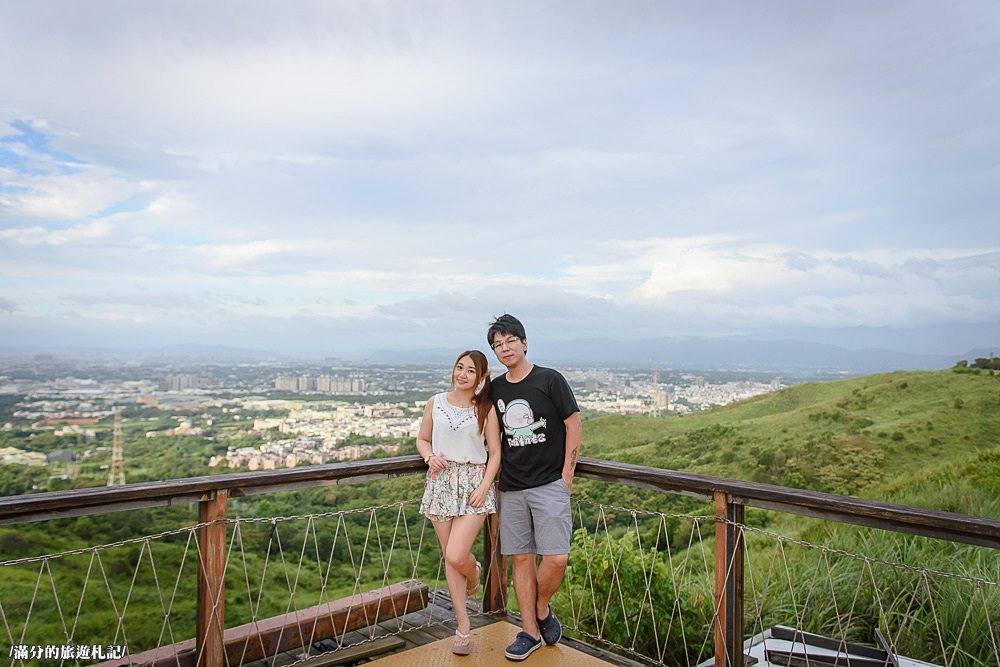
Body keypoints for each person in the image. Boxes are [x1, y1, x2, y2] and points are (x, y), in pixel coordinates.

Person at [487, 314, 581, 662]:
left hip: (550, 483)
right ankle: (529, 631)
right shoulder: (496, 388)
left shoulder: (549, 379)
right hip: (511, 486)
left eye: (510, 340)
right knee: (521, 558)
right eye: (498, 344)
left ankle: (541, 607)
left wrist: (567, 474)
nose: (505, 348)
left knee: (556, 558)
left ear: (524, 343)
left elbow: (573, 424)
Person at [416, 349, 501, 656]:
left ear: (481, 378)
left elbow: (495, 453)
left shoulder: (486, 409)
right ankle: (463, 626)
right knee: (449, 557)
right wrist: (429, 456)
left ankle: (474, 573)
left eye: (470, 371)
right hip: (441, 482)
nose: (462, 374)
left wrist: (485, 486)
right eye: (459, 367)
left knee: (456, 554)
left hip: (473, 484)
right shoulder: (435, 402)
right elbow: (422, 438)